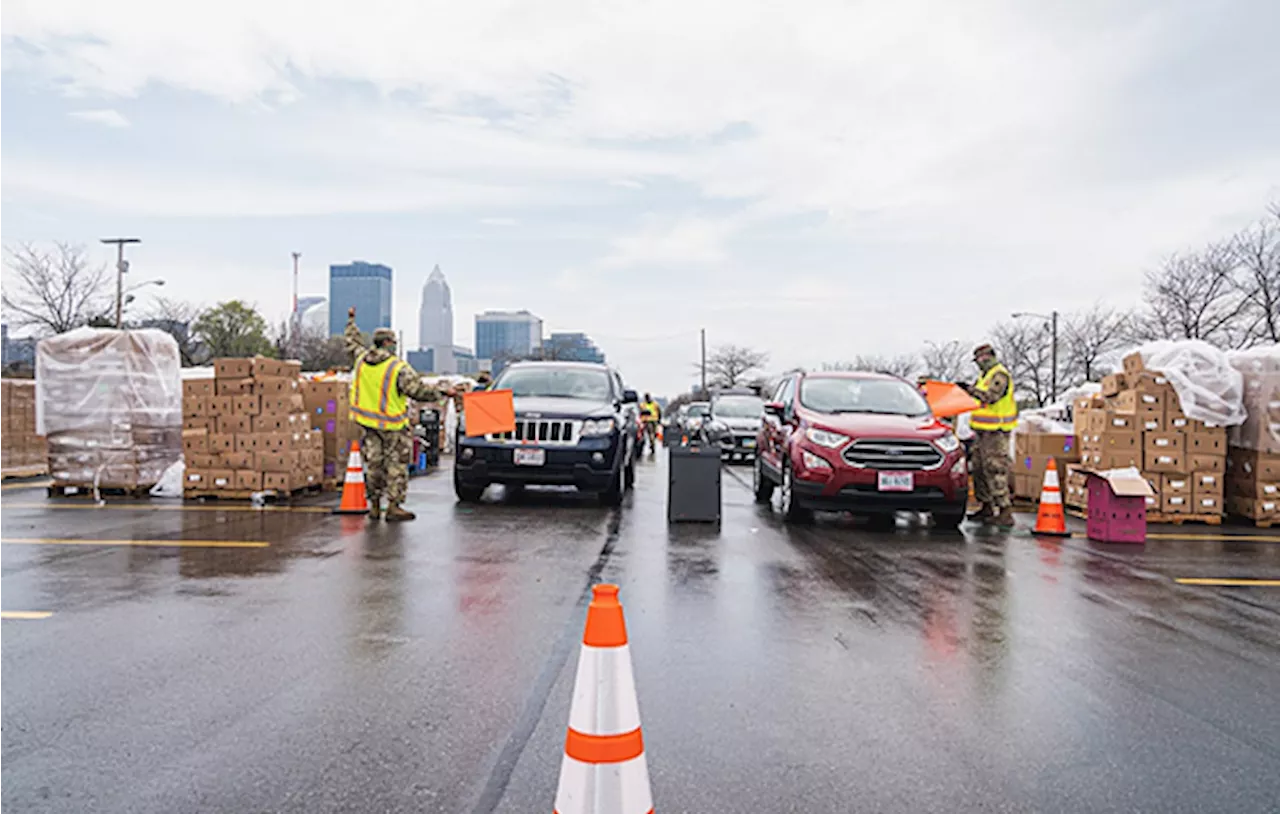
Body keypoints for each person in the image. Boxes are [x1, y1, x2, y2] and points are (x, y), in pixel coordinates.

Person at [345, 307, 455, 521]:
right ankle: (394, 506)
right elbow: (418, 390)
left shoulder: (361, 359)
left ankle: (374, 505)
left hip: (367, 423)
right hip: (392, 425)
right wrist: (443, 392)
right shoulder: (397, 367)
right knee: (396, 465)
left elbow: (351, 342)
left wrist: (351, 321)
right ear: (388, 343)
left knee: (374, 464)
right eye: (393, 342)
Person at [959, 343, 1018, 528]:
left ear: (987, 357)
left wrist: (970, 390)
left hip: (996, 432)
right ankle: (986, 506)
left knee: (995, 469)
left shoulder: (999, 375)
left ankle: (1004, 510)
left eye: (979, 360)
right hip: (981, 432)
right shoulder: (983, 377)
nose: (978, 364)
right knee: (979, 469)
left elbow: (991, 396)